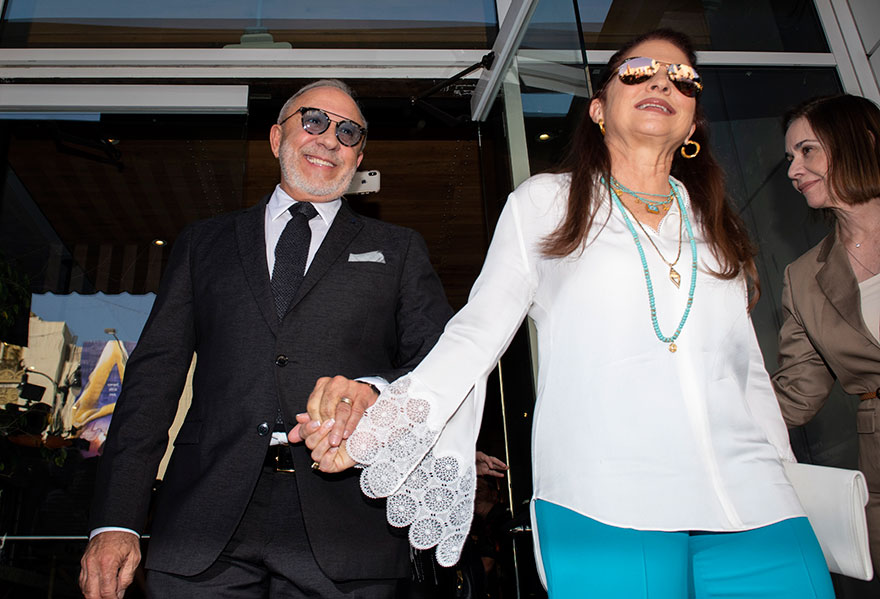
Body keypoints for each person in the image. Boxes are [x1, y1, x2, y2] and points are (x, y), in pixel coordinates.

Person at [299, 30, 835, 598]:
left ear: (694, 123)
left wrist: (789, 477)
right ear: (599, 109)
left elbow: (748, 373)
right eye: (639, 71)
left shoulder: (716, 224)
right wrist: (383, 423)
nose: (662, 82)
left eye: (683, 79)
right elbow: (475, 335)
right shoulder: (544, 203)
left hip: (757, 503)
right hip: (605, 503)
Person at [78, 79, 453, 598]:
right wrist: (116, 519)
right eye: (314, 121)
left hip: (348, 524)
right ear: (277, 138)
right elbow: (153, 381)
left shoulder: (399, 248)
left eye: (348, 132)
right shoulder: (203, 243)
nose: (330, 139)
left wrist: (373, 390)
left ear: (359, 157)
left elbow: (440, 365)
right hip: (203, 523)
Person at [774, 93, 880, 577]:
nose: (794, 170)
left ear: (862, 143)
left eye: (807, 151)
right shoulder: (802, 277)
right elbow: (796, 394)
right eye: (790, 157)